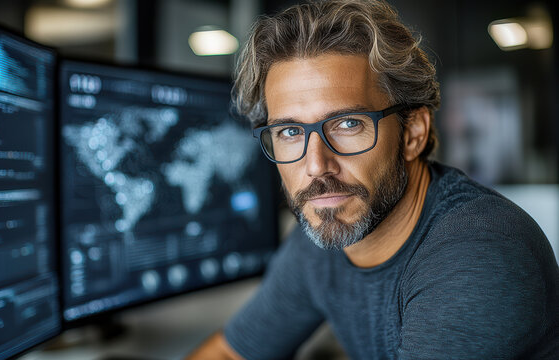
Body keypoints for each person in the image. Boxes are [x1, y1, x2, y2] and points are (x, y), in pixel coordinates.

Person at [186, 0, 559, 358]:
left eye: (348, 124)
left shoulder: (479, 252)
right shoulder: (323, 230)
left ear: (412, 132)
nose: (316, 166)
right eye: (289, 132)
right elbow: (231, 353)